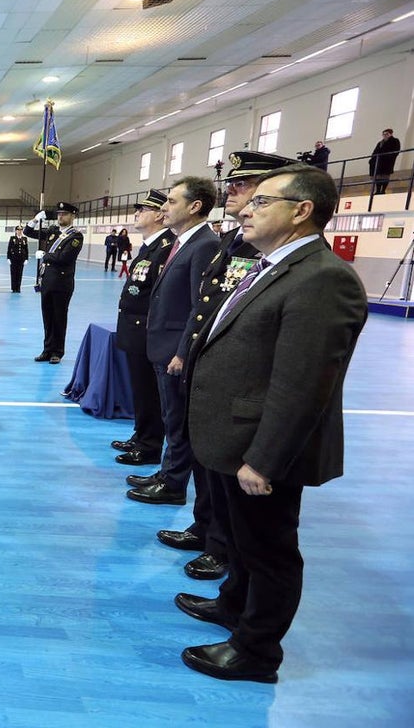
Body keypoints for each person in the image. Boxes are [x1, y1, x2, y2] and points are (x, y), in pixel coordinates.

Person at [178, 164, 367, 683]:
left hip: (258, 448)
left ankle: (257, 652)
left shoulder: (322, 277)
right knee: (239, 541)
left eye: (262, 201)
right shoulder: (272, 265)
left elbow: (304, 384)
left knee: (269, 550)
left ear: (302, 211)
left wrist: (263, 459)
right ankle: (234, 606)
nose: (247, 209)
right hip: (230, 436)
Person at [142, 151, 297, 581]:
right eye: (234, 185)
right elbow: (210, 307)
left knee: (224, 470)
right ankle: (207, 528)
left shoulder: (279, 260)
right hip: (208, 370)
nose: (233, 192)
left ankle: (221, 545)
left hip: (238, 386)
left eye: (247, 188)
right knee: (207, 461)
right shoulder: (233, 242)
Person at [126, 178, 218, 514]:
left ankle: (174, 483)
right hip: (162, 344)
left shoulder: (204, 244)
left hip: (174, 349)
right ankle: (167, 472)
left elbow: (199, 305)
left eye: (172, 201)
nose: (164, 208)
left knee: (177, 420)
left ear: (195, 206)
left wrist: (183, 351)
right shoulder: (183, 242)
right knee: (170, 414)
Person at [111, 190, 173, 470]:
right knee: (140, 389)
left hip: (146, 330)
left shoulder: (166, 247)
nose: (137, 214)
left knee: (149, 391)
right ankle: (141, 435)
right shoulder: (151, 246)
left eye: (144, 209)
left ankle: (149, 445)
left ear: (160, 215)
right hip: (135, 329)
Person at [25, 202, 84, 363]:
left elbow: (64, 258)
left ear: (72, 216)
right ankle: (47, 349)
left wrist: (44, 255)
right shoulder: (52, 231)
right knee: (48, 317)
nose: (60, 216)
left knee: (59, 318)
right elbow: (28, 232)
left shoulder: (76, 236)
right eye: (59, 214)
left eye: (64, 214)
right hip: (47, 281)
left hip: (62, 283)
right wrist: (36, 219)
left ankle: (57, 351)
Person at [369, 128, 401, 193]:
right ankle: (378, 190)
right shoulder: (380, 143)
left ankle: (383, 190)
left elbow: (396, 150)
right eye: (383, 134)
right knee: (378, 176)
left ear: (390, 134)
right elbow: (375, 152)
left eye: (387, 134)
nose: (385, 135)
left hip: (387, 162)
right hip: (379, 162)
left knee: (385, 176)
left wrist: (389, 157)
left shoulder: (395, 141)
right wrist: (372, 159)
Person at [7, 225, 29, 293]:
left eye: (21, 230)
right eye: (18, 230)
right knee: (13, 273)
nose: (19, 231)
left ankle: (18, 287)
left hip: (21, 259)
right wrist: (8, 258)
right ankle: (14, 288)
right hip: (13, 258)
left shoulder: (24, 239)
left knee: (20, 273)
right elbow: (9, 248)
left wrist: (26, 258)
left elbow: (26, 249)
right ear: (16, 231)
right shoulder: (12, 238)